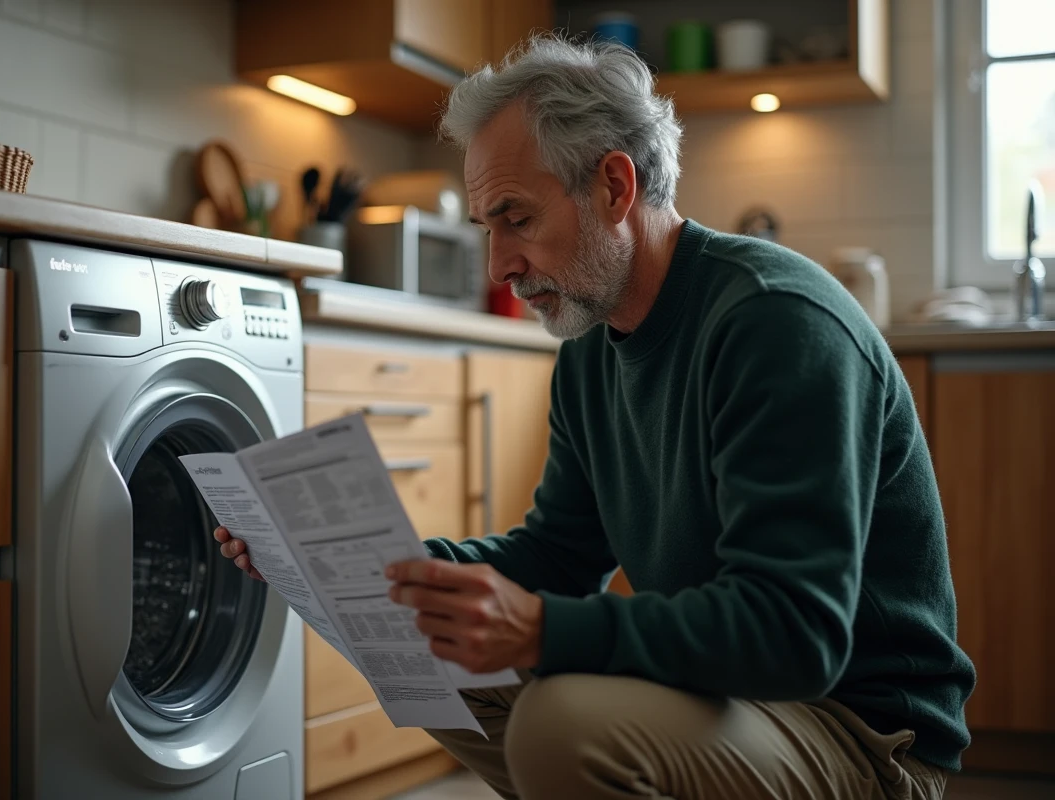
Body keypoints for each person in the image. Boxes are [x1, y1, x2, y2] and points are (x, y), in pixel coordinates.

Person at [214, 34, 975, 800]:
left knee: (559, 725)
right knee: (427, 646)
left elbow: (794, 633)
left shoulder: (776, 322)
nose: (499, 265)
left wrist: (540, 630)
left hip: (864, 735)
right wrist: (365, 566)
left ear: (614, 186)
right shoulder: (590, 346)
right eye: (487, 228)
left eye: (517, 218)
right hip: (737, 700)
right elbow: (558, 555)